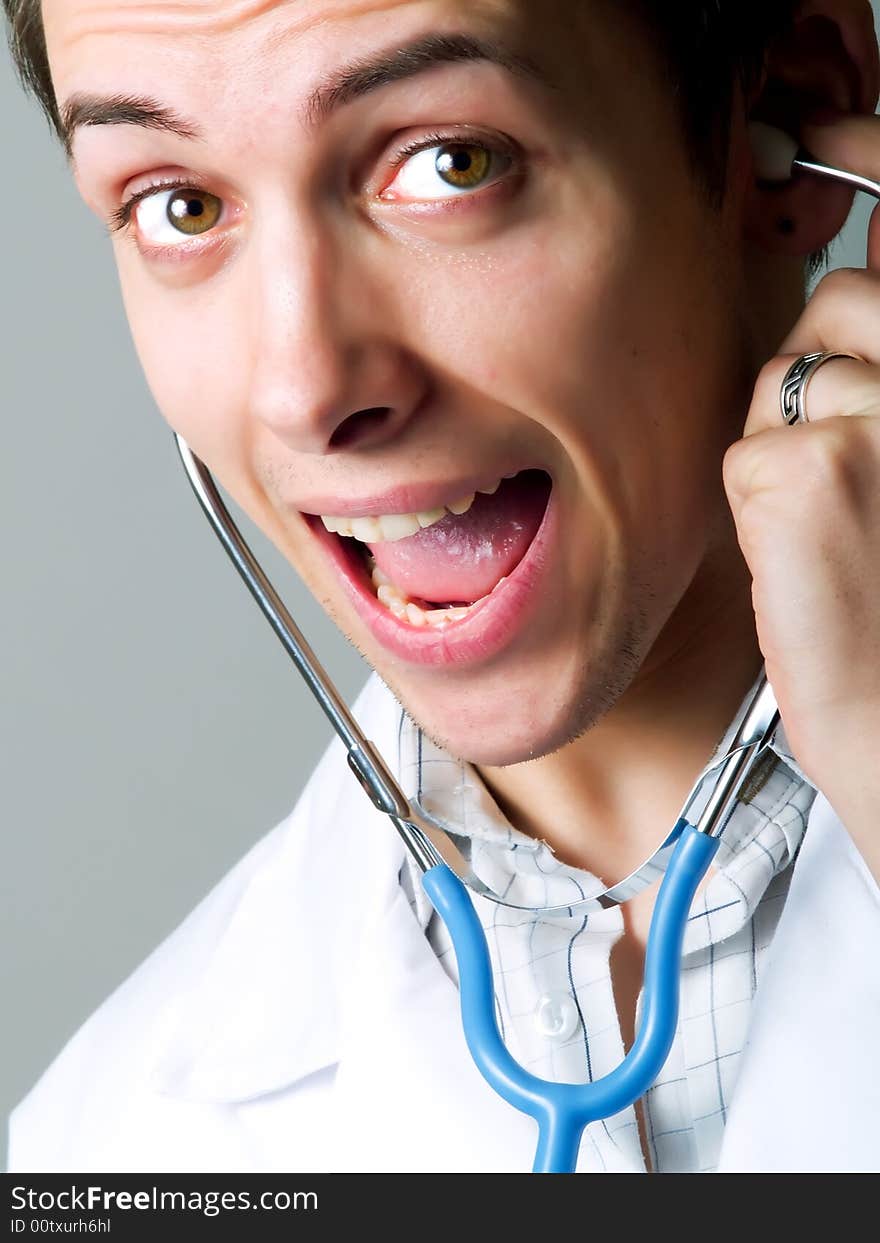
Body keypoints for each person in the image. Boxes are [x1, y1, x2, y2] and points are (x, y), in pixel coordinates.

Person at [4, 0, 880, 1174]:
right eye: (183, 205)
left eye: (450, 161)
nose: (304, 387)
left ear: (778, 121)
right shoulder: (101, 1153)